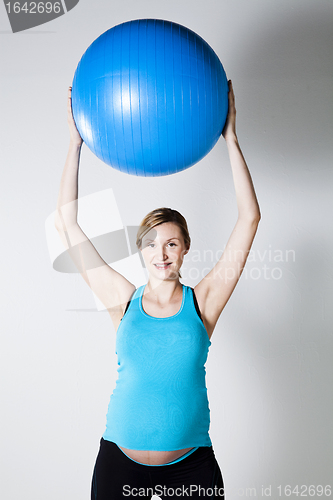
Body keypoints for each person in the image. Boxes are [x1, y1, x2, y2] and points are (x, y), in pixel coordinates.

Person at [55, 81, 260, 499]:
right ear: (141, 250)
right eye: (151, 244)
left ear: (185, 248)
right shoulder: (121, 299)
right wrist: (75, 143)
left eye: (170, 243)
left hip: (192, 470)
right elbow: (66, 224)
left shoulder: (203, 301)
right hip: (118, 464)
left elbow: (250, 219)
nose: (161, 254)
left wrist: (232, 139)